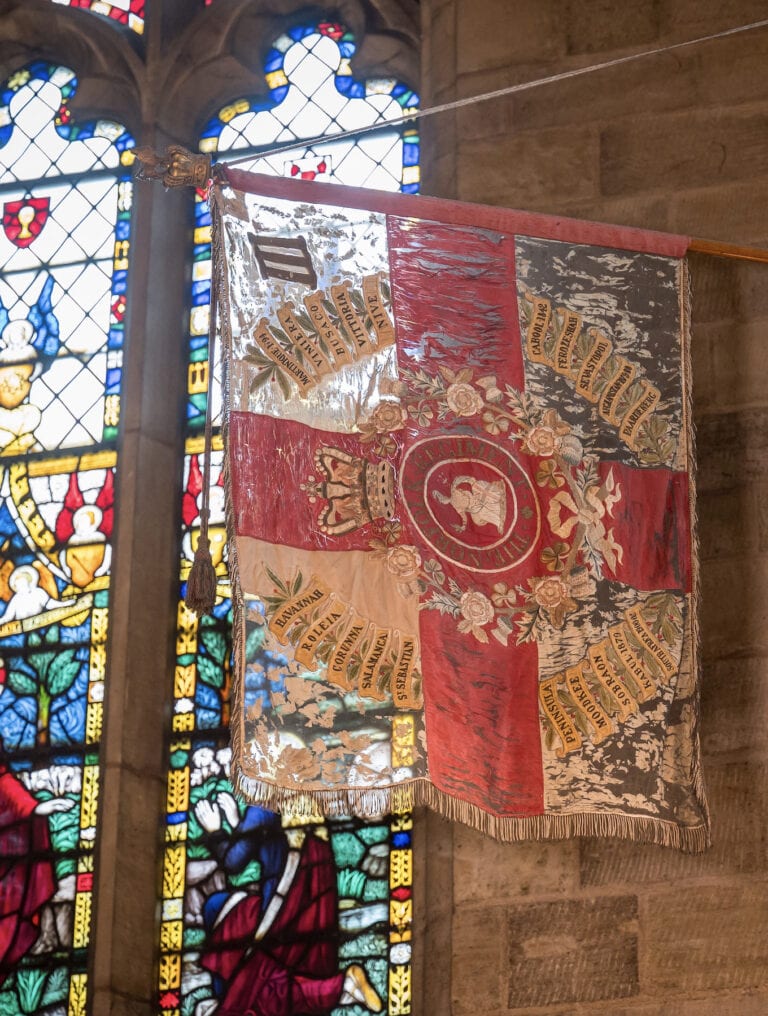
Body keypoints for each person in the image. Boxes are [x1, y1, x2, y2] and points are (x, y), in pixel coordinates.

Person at [195, 793, 382, 1016]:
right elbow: (272, 848)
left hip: (276, 916)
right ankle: (343, 987)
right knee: (272, 980)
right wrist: (238, 823)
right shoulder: (304, 804)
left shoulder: (264, 803)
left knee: (217, 911)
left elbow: (233, 862)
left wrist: (214, 830)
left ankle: (224, 1000)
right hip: (310, 916)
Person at [0, 752, 73, 985]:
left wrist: (38, 808)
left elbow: (12, 795)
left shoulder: (3, 779)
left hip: (7, 875)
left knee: (9, 923)